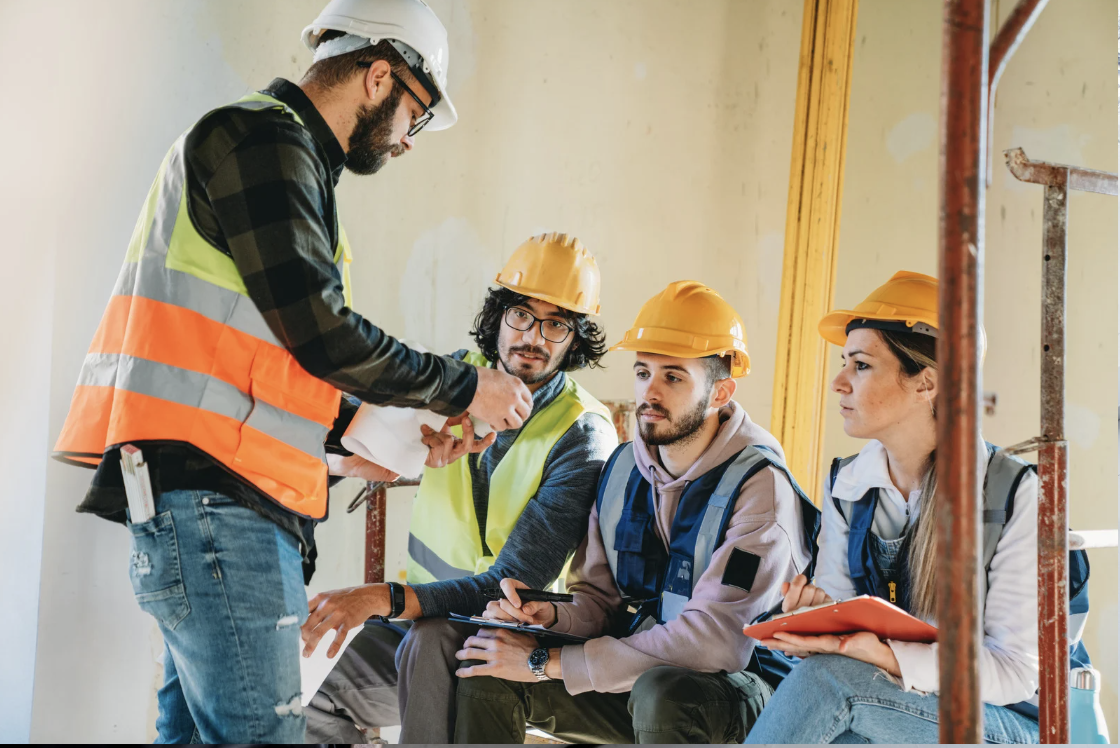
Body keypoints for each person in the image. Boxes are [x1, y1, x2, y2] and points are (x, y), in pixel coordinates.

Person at [49, 0, 532, 742]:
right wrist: (467, 385)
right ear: (378, 76)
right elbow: (324, 334)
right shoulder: (263, 141)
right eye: (417, 115)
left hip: (215, 504)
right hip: (218, 510)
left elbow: (278, 367)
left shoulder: (286, 164)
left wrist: (396, 433)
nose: (409, 141)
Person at [451, 281, 820, 744]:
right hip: (642, 674)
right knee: (488, 664)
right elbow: (599, 604)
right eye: (643, 372)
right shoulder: (623, 468)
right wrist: (550, 617)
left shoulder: (760, 488)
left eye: (673, 377)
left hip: (746, 689)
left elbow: (714, 641)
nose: (650, 391)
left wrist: (544, 663)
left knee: (664, 693)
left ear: (722, 392)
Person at [745, 270, 1091, 744]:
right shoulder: (850, 484)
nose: (838, 382)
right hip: (907, 703)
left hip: (1015, 722)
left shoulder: (1014, 495)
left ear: (926, 382)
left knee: (830, 682)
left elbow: (1014, 674)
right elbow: (842, 632)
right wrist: (820, 624)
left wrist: (882, 656)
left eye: (861, 365)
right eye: (843, 363)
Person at [301, 232, 620, 743]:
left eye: (556, 324)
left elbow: (505, 585)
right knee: (304, 680)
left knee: (431, 643)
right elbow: (352, 447)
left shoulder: (582, 434)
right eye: (520, 314)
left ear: (575, 341)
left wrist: (376, 597)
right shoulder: (453, 377)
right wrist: (378, 455)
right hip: (418, 618)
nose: (533, 337)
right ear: (497, 317)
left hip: (509, 636)